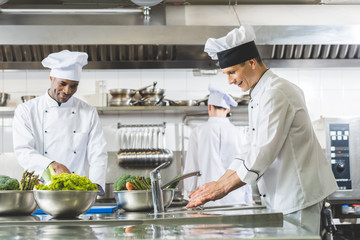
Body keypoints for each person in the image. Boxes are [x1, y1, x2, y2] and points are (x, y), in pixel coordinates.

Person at [185, 25, 338, 235]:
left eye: (232, 72)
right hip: (281, 199)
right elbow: (249, 150)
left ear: (251, 63)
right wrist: (216, 184)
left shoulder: (277, 92)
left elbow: (262, 153)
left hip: (298, 198)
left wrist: (220, 190)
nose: (229, 80)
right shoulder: (259, 94)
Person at [12, 49, 108, 194]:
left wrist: (96, 186)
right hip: (40, 192)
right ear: (51, 78)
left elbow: (98, 153)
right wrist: (53, 165)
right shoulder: (27, 110)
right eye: (62, 83)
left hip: (76, 191)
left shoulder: (88, 112)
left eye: (74, 85)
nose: (67, 90)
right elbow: (23, 151)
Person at [183, 84, 252, 207]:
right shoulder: (240, 134)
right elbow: (246, 167)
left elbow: (191, 169)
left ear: (209, 107)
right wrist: (248, 198)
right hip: (236, 200)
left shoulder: (198, 132)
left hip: (207, 200)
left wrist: (190, 195)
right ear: (227, 110)